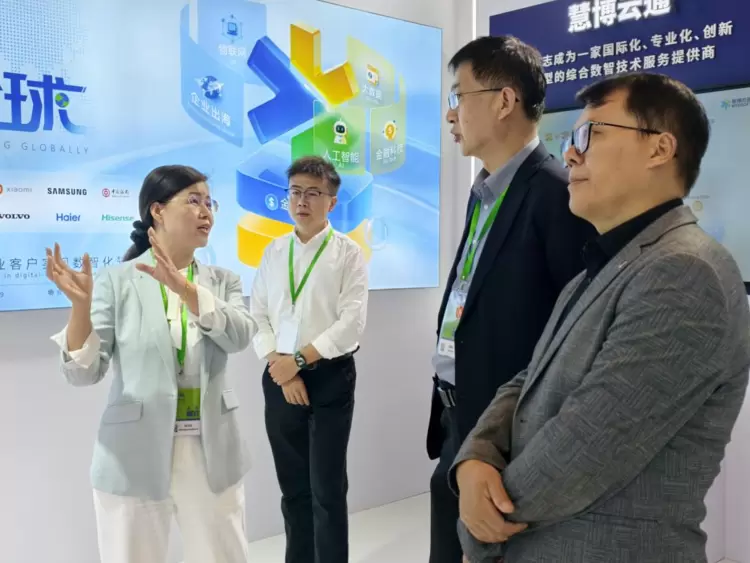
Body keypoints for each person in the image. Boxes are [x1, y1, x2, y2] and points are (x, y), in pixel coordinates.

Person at [452, 73, 750, 563]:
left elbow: (586, 447)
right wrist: (476, 456)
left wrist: (479, 529)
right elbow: (528, 381)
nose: (571, 154)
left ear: (659, 149)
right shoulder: (600, 269)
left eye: (591, 134)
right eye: (571, 138)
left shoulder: (684, 272)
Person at [429, 36, 596, 563]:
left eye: (459, 96)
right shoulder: (485, 191)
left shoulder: (555, 194)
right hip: (458, 417)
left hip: (510, 437)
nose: (451, 114)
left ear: (504, 101)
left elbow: (575, 335)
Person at [47, 165, 254, 563]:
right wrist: (80, 309)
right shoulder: (116, 280)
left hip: (211, 448)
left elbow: (240, 336)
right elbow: (84, 372)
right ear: (157, 210)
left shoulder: (222, 281)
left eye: (210, 202)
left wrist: (186, 289)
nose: (206, 212)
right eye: (193, 201)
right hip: (133, 453)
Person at [249, 155, 368, 563]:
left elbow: (351, 324)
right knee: (294, 488)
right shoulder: (273, 251)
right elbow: (258, 314)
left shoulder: (348, 254)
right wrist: (281, 368)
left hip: (329, 376)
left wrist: (297, 362)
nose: (302, 201)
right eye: (295, 192)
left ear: (331, 202)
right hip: (278, 376)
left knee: (327, 489)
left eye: (313, 193)